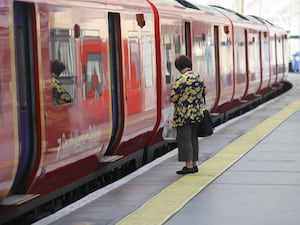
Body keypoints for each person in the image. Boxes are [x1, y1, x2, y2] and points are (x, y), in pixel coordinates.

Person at [170, 55, 206, 174]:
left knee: (185, 140)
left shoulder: (181, 80)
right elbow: (204, 92)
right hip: (197, 114)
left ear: (179, 67)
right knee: (193, 139)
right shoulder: (198, 77)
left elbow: (173, 98)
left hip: (183, 115)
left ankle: (188, 166)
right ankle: (195, 164)